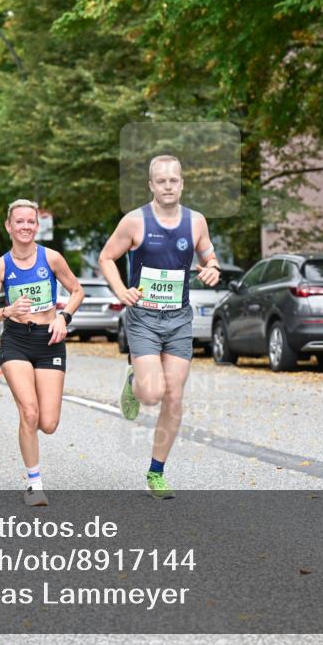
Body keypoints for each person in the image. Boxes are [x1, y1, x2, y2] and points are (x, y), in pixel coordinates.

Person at [98, 155, 221, 500]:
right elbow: (106, 257)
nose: (168, 186)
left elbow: (209, 256)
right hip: (144, 318)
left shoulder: (196, 222)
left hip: (179, 317)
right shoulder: (135, 222)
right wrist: (121, 290)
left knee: (175, 395)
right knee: (151, 394)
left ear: (182, 183)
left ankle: (156, 472)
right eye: (161, 181)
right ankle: (134, 380)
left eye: (174, 180)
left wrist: (212, 267)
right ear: (151, 185)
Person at [0, 199, 83, 507]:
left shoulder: (51, 258)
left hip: (49, 339)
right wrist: (6, 311)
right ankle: (34, 483)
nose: (25, 226)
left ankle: (31, 435)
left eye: (30, 222)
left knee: (48, 423)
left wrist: (64, 318)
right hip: (16, 342)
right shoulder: (0, 266)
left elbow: (77, 291)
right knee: (29, 412)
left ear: (37, 226)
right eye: (19, 221)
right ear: (8, 226)